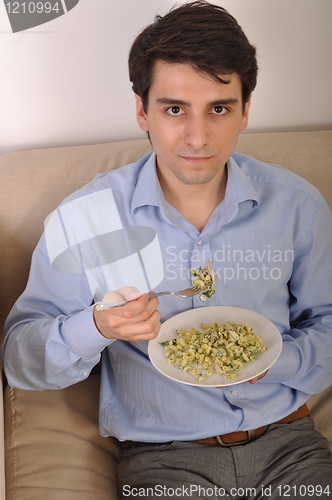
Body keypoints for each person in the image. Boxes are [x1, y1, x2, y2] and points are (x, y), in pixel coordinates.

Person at [3, 1, 332, 498]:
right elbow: (18, 358)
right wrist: (95, 326)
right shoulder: (86, 218)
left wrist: (272, 358)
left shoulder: (297, 206)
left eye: (218, 108)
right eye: (174, 109)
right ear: (142, 111)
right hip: (164, 458)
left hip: (288, 442)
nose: (197, 137)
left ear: (244, 111)